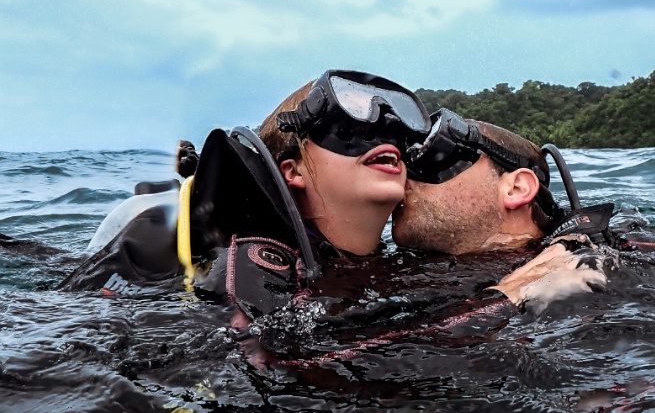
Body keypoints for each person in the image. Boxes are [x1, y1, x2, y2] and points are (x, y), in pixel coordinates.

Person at [58, 70, 432, 322]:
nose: (385, 143)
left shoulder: (408, 263)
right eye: (348, 132)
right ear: (293, 171)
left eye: (397, 138)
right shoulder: (210, 258)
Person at [393, 108, 618, 313]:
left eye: (440, 156)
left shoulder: (597, 258)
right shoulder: (397, 265)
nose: (403, 175)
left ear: (517, 188)